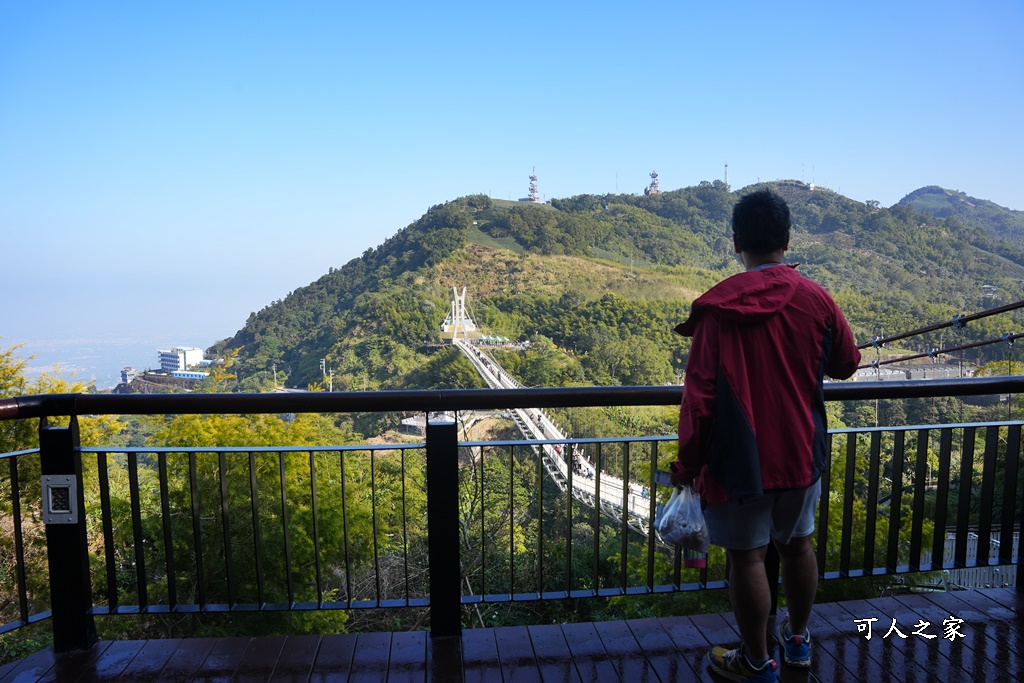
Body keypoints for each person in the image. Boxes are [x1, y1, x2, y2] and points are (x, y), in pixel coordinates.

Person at [671, 189, 860, 682]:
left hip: (739, 462)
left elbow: (700, 399)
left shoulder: (717, 310)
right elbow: (846, 363)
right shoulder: (817, 298)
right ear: (787, 238)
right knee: (799, 547)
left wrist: (688, 466)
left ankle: (756, 662)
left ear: (737, 242)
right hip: (801, 452)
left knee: (747, 559)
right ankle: (797, 643)